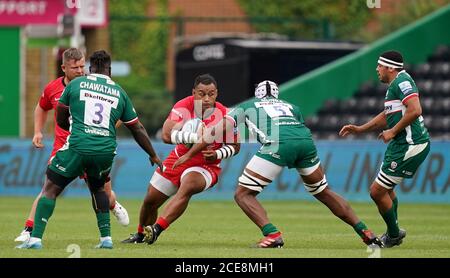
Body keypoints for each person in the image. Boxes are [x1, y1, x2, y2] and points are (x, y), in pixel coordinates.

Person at [179, 80, 383, 248]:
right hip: (306, 142)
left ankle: (272, 234)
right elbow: (297, 127)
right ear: (276, 95)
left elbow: (213, 132)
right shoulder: (292, 107)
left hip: (278, 143)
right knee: (323, 191)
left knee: (243, 194)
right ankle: (365, 231)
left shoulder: (247, 106)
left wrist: (188, 155)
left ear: (257, 95)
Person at [16, 50, 162, 249]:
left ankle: (34, 240)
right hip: (105, 151)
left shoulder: (76, 84)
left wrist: (73, 129)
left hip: (77, 145)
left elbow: (60, 116)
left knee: (50, 187)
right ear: (109, 70)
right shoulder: (119, 91)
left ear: (90, 68)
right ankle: (106, 240)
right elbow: (137, 127)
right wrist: (152, 154)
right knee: (98, 189)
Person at [121, 74, 240, 244]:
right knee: (150, 200)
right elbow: (166, 135)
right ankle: (140, 235)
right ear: (193, 92)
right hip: (178, 158)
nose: (207, 98)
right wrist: (193, 136)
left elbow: (236, 147)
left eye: (211, 94)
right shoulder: (183, 107)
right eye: (201, 93)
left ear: (217, 93)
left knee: (188, 185)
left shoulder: (225, 115)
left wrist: (217, 155)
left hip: (206, 165)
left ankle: (156, 229)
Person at [340, 50, 430, 248]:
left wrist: (392, 131)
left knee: (377, 191)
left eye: (379, 65)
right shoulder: (394, 86)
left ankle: (394, 234)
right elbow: (386, 114)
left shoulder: (402, 82)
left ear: (390, 67)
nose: (377, 69)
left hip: (410, 144)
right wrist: (360, 129)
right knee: (384, 190)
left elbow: (416, 110)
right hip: (400, 144)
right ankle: (394, 231)